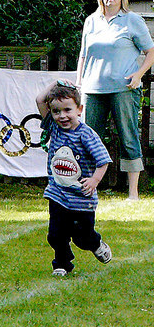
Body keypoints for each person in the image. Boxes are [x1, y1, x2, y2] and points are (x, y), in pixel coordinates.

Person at [76, 0, 154, 201]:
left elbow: (151, 52)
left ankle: (133, 193)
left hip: (124, 89)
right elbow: (83, 56)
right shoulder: (91, 21)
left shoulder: (132, 20)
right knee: (89, 139)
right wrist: (79, 85)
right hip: (92, 90)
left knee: (128, 138)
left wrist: (138, 75)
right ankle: (89, 189)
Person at [36, 80, 113, 275]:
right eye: (56, 111)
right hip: (58, 193)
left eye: (67, 110)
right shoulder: (53, 128)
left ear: (79, 109)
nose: (62, 116)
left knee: (82, 237)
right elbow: (39, 99)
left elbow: (103, 160)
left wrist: (94, 180)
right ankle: (62, 264)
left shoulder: (86, 135)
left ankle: (95, 243)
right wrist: (54, 83)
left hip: (81, 197)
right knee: (55, 234)